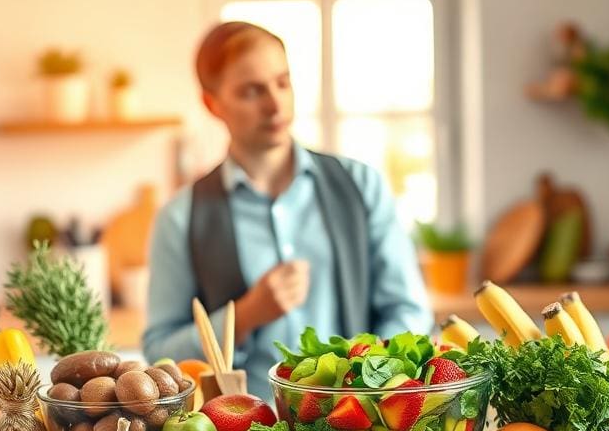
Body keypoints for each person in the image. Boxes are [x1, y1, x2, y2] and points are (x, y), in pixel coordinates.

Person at [142, 21, 432, 399]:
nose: (275, 104)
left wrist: (369, 382)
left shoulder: (363, 186)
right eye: (251, 91)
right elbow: (160, 351)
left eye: (283, 82)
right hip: (246, 429)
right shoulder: (179, 219)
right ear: (212, 104)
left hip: (361, 421)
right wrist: (245, 315)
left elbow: (408, 312)